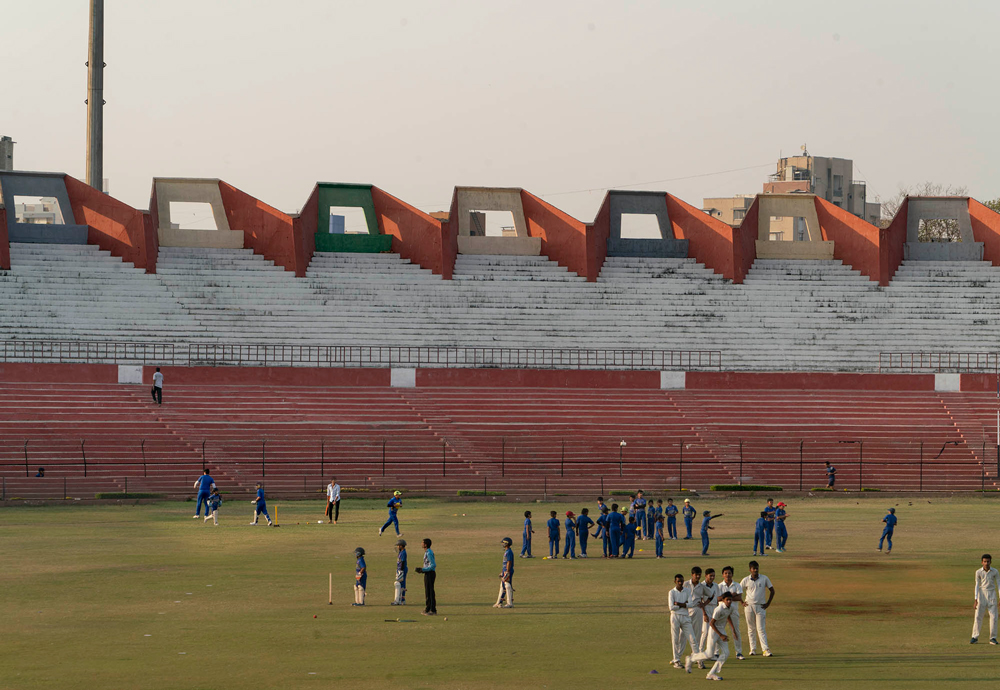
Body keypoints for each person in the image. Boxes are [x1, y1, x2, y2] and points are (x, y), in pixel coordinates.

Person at [687, 590, 738, 680]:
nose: (729, 601)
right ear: (723, 600)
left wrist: (733, 630)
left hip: (721, 630)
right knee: (709, 654)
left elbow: (728, 616)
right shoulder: (718, 609)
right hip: (714, 630)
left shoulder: (731, 607)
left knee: (726, 653)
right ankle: (691, 658)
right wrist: (721, 635)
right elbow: (711, 623)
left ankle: (711, 673)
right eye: (727, 600)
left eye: (730, 600)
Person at [740, 560, 775, 656]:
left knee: (761, 629)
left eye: (757, 568)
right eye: (753, 569)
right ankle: (753, 649)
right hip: (749, 606)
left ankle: (765, 649)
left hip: (761, 606)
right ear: (750, 570)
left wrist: (768, 604)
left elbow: (772, 591)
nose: (755, 570)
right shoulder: (745, 580)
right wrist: (742, 602)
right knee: (751, 629)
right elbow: (739, 591)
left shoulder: (764, 578)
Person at [669, 573, 699, 669]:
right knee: (675, 639)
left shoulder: (687, 591)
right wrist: (684, 604)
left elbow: (691, 604)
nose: (681, 583)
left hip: (686, 616)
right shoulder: (671, 592)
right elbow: (671, 607)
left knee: (692, 639)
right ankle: (676, 660)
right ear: (675, 582)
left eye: (682, 581)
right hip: (675, 617)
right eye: (678, 581)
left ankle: (698, 659)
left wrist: (679, 604)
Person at [718, 565, 745, 660]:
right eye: (725, 573)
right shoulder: (719, 586)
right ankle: (716, 652)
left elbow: (739, 598)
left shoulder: (737, 585)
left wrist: (725, 597)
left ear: (732, 574)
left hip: (733, 612)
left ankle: (739, 652)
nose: (727, 575)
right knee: (719, 631)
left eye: (729, 573)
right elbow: (717, 599)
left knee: (736, 631)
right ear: (722, 575)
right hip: (722, 612)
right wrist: (730, 595)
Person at [972, 553, 999, 645]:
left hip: (992, 594)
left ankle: (993, 638)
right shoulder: (978, 572)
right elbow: (976, 585)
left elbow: (999, 584)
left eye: (988, 561)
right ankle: (974, 637)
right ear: (982, 562)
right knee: (978, 616)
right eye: (984, 561)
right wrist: (975, 599)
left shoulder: (995, 571)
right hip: (982, 594)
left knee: (994, 617)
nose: (986, 563)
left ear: (990, 562)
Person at [685, 566, 708, 665]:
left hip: (697, 610)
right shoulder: (686, 584)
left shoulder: (702, 586)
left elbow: (711, 596)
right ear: (692, 575)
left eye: (699, 575)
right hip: (685, 610)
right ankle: (676, 658)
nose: (698, 577)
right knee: (682, 635)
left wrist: (704, 605)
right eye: (696, 575)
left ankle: (697, 656)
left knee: (697, 635)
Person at [699, 568, 720, 651]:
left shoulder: (716, 586)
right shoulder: (701, 586)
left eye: (713, 576)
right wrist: (704, 614)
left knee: (714, 631)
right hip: (706, 608)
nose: (712, 577)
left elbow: (718, 599)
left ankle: (712, 652)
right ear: (706, 576)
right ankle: (700, 651)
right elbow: (701, 601)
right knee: (705, 631)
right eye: (710, 576)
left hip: (715, 608)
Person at [415, 538, 437, 615]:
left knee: (430, 592)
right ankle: (428, 608)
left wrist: (423, 569)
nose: (421, 544)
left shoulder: (429, 553)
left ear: (426, 544)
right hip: (427, 573)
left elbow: (433, 565)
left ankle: (432, 609)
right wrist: (422, 570)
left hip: (430, 573)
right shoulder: (427, 552)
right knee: (427, 592)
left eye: (422, 543)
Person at [494, 537, 515, 608]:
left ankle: (509, 603)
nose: (502, 544)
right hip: (505, 571)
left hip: (507, 571)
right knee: (502, 586)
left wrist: (507, 572)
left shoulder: (509, 552)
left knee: (507, 586)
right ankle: (499, 602)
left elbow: (509, 562)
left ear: (506, 544)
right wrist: (502, 572)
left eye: (503, 543)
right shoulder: (507, 551)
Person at [392, 539, 408, 606]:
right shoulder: (401, 552)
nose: (398, 547)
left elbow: (402, 562)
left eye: (398, 545)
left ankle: (401, 600)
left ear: (401, 546)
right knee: (400, 584)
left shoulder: (403, 553)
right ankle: (400, 599)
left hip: (402, 570)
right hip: (400, 569)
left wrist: (400, 571)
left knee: (400, 584)